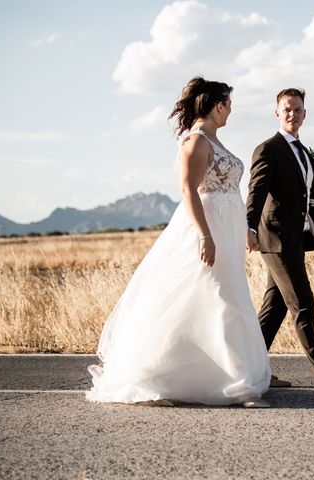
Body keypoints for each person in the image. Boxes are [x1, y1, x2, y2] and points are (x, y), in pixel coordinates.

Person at [86, 77, 271, 408]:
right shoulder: (196, 142)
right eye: (229, 103)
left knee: (227, 293)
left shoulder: (216, 141)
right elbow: (189, 191)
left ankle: (226, 376)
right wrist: (205, 235)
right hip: (208, 227)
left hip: (228, 227)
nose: (231, 110)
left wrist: (243, 227)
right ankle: (236, 383)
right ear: (217, 106)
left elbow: (230, 191)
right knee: (219, 295)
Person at [246, 87, 314, 391]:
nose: (292, 114)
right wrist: (249, 227)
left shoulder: (303, 152)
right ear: (277, 113)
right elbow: (256, 192)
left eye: (297, 109)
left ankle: (250, 372)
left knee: (274, 309)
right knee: (302, 303)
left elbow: (312, 199)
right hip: (275, 239)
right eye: (287, 109)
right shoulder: (268, 149)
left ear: (304, 114)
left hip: (295, 239)